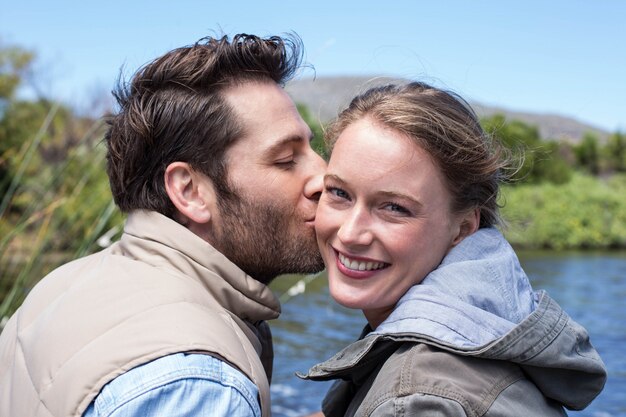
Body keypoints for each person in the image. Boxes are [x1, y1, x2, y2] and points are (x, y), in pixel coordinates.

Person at [0, 33, 326, 417]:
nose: (325, 176)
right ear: (189, 191)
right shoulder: (198, 384)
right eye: (286, 159)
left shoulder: (65, 284)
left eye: (313, 150)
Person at [300, 82, 607, 416]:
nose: (349, 233)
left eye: (395, 208)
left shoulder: (416, 399)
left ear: (462, 228)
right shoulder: (485, 331)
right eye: (339, 193)